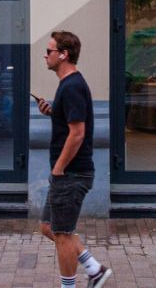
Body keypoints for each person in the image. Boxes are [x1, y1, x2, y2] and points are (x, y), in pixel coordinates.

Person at [35, 30, 112, 288]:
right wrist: (53, 112)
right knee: (48, 227)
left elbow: (78, 134)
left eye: (49, 51)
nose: (45, 55)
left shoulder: (72, 87)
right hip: (66, 173)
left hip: (71, 173)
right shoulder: (68, 85)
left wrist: (59, 168)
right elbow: (71, 123)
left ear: (63, 54)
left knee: (63, 235)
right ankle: (95, 269)